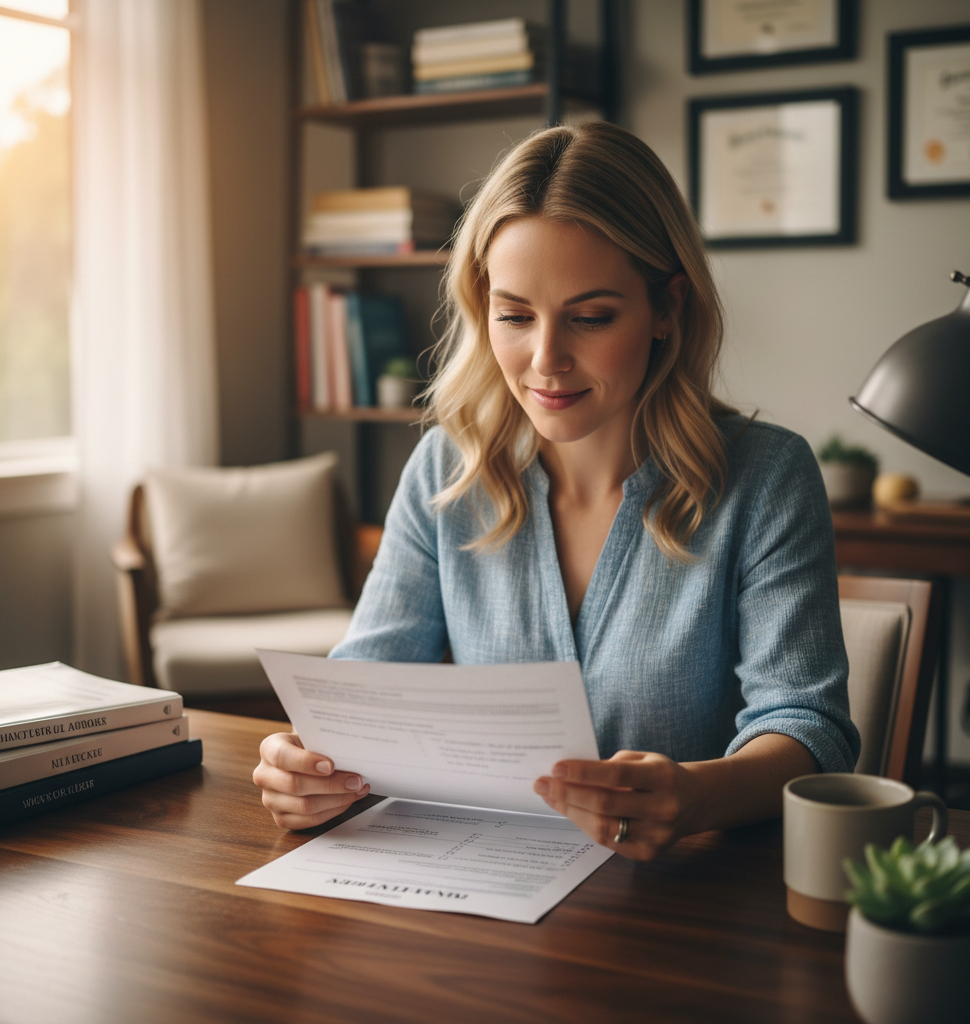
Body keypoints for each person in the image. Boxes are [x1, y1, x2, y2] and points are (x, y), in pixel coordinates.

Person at [253, 121, 860, 860]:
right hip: (487, 887)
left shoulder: (766, 478)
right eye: (514, 315)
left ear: (667, 308)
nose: (545, 361)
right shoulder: (448, 470)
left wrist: (698, 795)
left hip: (689, 902)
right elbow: (364, 686)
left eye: (591, 317)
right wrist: (308, 764)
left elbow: (807, 725)